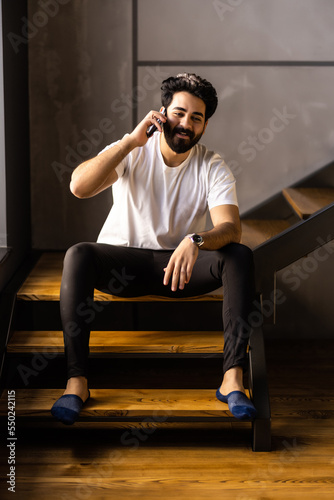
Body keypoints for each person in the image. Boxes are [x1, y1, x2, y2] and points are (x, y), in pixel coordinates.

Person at [51, 73, 257, 425]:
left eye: (196, 117)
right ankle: (76, 381)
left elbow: (231, 228)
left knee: (239, 255)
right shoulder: (133, 150)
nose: (185, 124)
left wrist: (196, 241)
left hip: (178, 270)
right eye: (179, 113)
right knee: (78, 254)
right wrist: (130, 141)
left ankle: (232, 378)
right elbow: (79, 187)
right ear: (161, 114)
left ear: (205, 125)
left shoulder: (212, 165)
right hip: (123, 265)